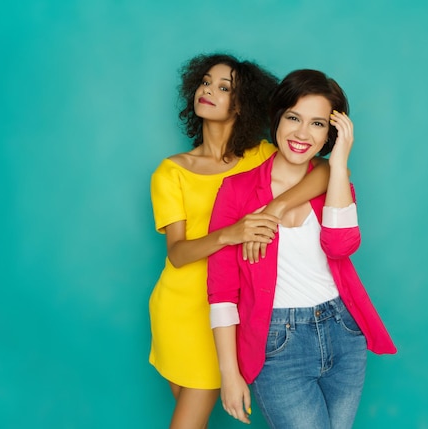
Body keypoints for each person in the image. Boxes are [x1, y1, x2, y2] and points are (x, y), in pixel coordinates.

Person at [208, 69, 397, 429]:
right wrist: (229, 373)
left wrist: (339, 163)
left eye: (317, 124)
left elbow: (341, 246)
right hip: (278, 344)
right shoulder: (236, 191)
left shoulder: (332, 179)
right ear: (277, 117)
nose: (302, 133)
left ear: (331, 133)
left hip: (343, 331)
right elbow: (221, 292)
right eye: (294, 118)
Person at [149, 55, 330, 429]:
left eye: (223, 87)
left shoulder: (262, 156)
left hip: (236, 306)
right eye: (204, 82)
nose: (207, 91)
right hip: (184, 309)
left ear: (242, 102)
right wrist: (231, 233)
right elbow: (178, 255)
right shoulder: (171, 172)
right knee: (190, 417)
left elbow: (323, 171)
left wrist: (276, 208)